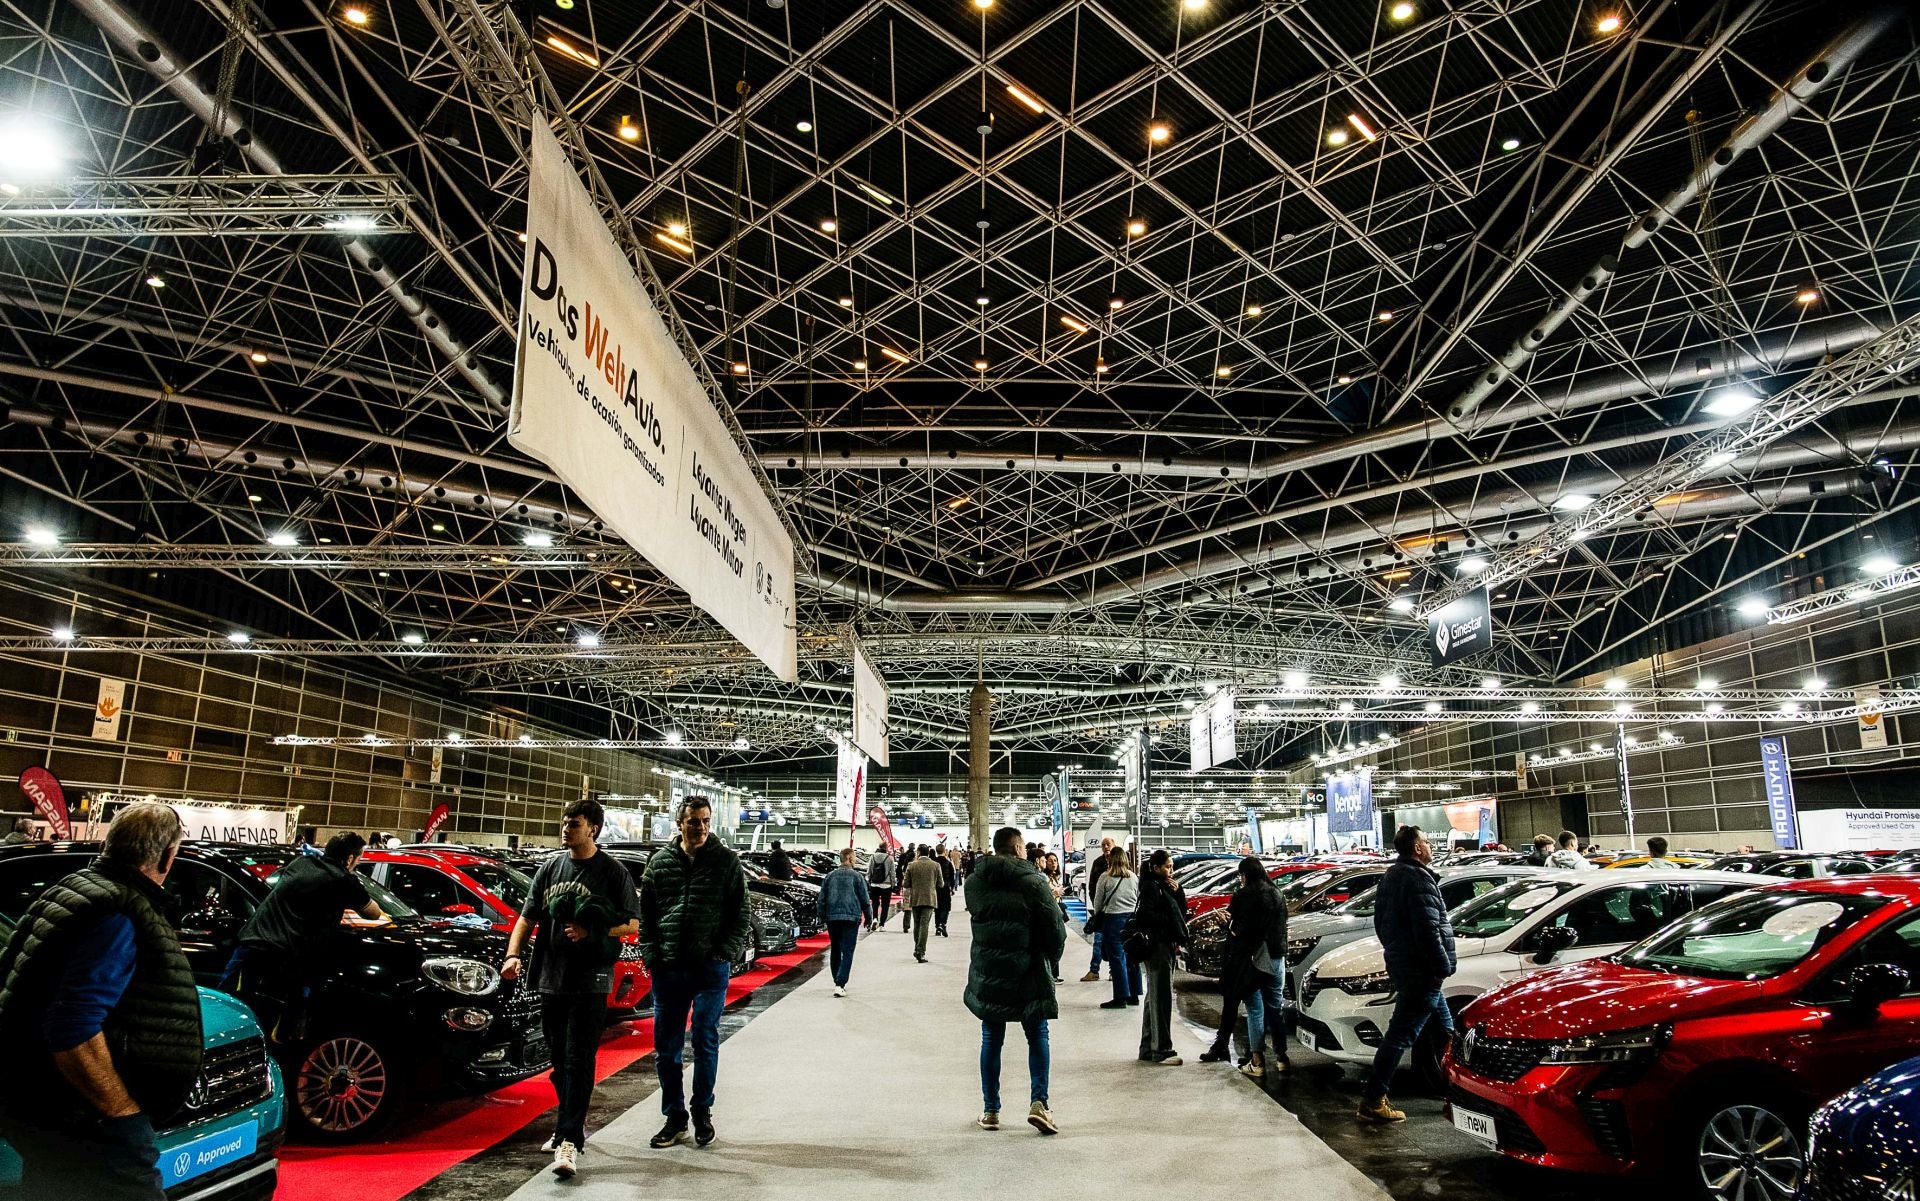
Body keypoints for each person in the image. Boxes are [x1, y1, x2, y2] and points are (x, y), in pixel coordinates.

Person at [0, 802, 200, 1201]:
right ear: (167, 855)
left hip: (39, 1103)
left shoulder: (72, 890)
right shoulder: (118, 912)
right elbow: (73, 1025)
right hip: (86, 1118)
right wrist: (121, 1111)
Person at [502, 799, 639, 1180]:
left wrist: (592, 932)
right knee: (559, 1061)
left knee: (579, 1059)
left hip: (591, 981)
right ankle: (569, 1123)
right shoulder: (550, 867)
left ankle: (568, 1139)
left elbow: (630, 924)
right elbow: (527, 917)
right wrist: (513, 955)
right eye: (564, 822)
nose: (566, 828)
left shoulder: (612, 872)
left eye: (574, 823)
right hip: (551, 977)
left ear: (593, 828)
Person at [639, 795, 750, 1151]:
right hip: (668, 970)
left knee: (704, 1039)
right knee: (666, 1049)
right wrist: (652, 955)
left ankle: (702, 1112)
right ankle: (674, 1118)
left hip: (709, 969)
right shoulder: (659, 864)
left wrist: (723, 953)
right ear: (679, 822)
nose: (699, 826)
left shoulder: (726, 862)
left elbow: (740, 915)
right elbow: (648, 918)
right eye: (692, 820)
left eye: (705, 820)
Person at [224, 831, 384, 1043]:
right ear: (349, 859)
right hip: (288, 955)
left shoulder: (301, 863)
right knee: (283, 1014)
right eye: (359, 858)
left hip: (252, 943)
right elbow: (373, 912)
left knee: (230, 1005)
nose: (359, 862)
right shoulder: (343, 880)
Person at [965, 826, 1067, 1135]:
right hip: (1029, 970)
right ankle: (1039, 1104)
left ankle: (991, 1110)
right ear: (1019, 848)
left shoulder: (974, 883)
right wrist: (1050, 960)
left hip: (990, 970)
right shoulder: (1034, 883)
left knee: (991, 1038)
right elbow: (1056, 931)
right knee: (1037, 1035)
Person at [1357, 826, 1457, 1123]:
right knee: (1401, 1034)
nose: (1430, 845)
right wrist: (1442, 966)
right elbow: (1428, 930)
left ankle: (1456, 1087)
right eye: (1427, 840)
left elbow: (1381, 923)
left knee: (1446, 1031)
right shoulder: (1416, 879)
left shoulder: (1393, 875)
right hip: (1422, 972)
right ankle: (1373, 1099)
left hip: (1408, 967)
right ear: (1416, 848)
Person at [1199, 857, 1289, 1079]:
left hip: (1255, 960)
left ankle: (1257, 1061)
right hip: (1277, 958)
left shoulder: (1244, 895)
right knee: (1275, 1008)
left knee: (1255, 1009)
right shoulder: (1277, 893)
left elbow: (1241, 930)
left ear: (1245, 874)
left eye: (1240, 875)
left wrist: (1226, 923)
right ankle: (1281, 1057)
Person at [1129, 848, 1188, 1065]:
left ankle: (1147, 1047)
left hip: (1164, 946)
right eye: (1167, 866)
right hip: (1157, 947)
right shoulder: (1151, 887)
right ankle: (1161, 1050)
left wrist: (1178, 891)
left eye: (1171, 866)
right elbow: (1146, 915)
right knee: (1160, 998)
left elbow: (1182, 911)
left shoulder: (1164, 886)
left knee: (1154, 997)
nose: (1170, 870)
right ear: (1155, 868)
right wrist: (1168, 922)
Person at [1089, 846, 1140, 1009]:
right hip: (1132, 919)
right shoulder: (1133, 877)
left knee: (1117, 959)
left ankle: (1120, 996)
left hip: (1113, 919)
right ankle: (1134, 994)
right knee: (1132, 956)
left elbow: (1098, 901)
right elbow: (1138, 898)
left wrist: (1098, 916)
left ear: (1110, 859)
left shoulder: (1105, 877)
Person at [817, 847, 871, 996]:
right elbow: (865, 900)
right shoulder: (857, 876)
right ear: (849, 858)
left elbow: (821, 899)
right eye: (853, 857)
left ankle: (837, 980)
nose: (854, 860)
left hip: (832, 918)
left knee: (835, 948)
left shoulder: (830, 876)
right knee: (848, 951)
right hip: (851, 918)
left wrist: (821, 916)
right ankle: (840, 983)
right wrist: (869, 917)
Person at [1079, 836, 1116, 982]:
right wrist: (1097, 906)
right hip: (1101, 910)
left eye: (1108, 844)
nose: (1106, 847)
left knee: (1114, 942)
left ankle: (1114, 971)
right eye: (1103, 845)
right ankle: (1094, 970)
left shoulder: (1120, 861)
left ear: (1114, 845)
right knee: (1099, 941)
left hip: (1116, 910)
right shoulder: (1098, 862)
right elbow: (1091, 886)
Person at [903, 842, 943, 962]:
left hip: (916, 899)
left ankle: (917, 948)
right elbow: (941, 884)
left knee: (917, 924)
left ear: (918, 852)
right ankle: (921, 951)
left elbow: (906, 884)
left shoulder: (911, 865)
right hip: (930, 899)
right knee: (924, 925)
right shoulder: (936, 865)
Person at [866, 844, 897, 931]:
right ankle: (882, 925)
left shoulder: (873, 857)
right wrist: (893, 884)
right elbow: (892, 873)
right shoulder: (889, 858)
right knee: (885, 905)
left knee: (875, 903)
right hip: (886, 885)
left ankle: (875, 918)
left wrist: (869, 881)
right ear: (886, 848)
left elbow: (869, 871)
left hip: (874, 884)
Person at [935, 846, 957, 937]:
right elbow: (952, 877)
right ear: (944, 851)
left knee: (937, 907)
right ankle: (942, 924)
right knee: (946, 907)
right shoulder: (948, 863)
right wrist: (952, 888)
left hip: (935, 888)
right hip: (945, 887)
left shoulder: (933, 862)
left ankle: (937, 928)